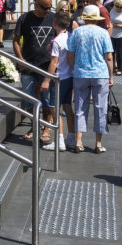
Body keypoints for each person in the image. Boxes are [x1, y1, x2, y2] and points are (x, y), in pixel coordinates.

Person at [66, 5, 115, 154]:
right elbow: (109, 56)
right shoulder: (103, 33)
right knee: (101, 108)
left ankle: (79, 142)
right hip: (100, 73)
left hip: (81, 73)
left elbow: (70, 53)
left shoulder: (76, 32)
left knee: (80, 107)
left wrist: (74, 68)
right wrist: (111, 76)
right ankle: (98, 143)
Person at [13, 0, 56, 146]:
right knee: (29, 99)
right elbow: (16, 41)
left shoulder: (53, 18)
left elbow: (62, 36)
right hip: (28, 66)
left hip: (46, 66)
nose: (48, 10)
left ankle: (46, 129)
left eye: (50, 7)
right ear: (36, 4)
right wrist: (20, 59)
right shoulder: (24, 18)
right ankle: (33, 126)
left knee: (46, 99)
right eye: (45, 7)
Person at [47, 10, 73, 150]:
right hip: (70, 76)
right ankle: (72, 137)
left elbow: (54, 62)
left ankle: (59, 141)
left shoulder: (56, 41)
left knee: (54, 108)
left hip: (59, 77)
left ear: (54, 24)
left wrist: (47, 80)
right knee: (68, 106)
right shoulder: (69, 36)